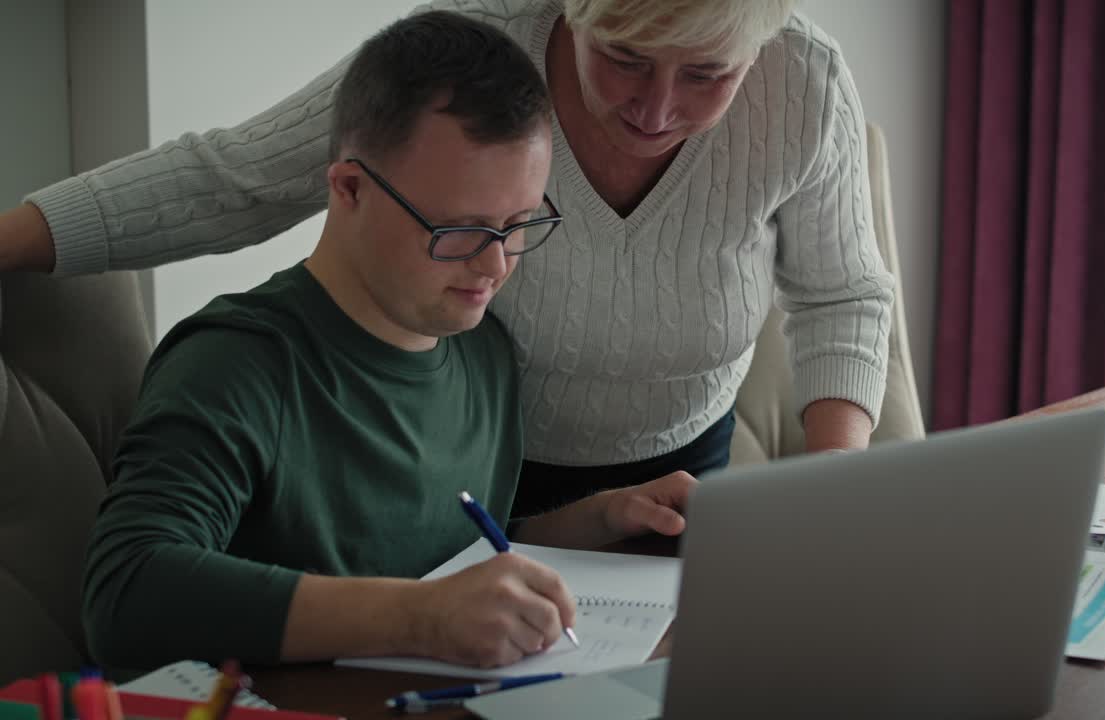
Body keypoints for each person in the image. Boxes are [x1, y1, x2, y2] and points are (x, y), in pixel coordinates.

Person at [0, 0, 895, 517]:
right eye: (624, 59)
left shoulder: (802, 84)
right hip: (458, 479)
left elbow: (844, 293)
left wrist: (828, 493)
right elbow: (233, 179)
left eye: (706, 74)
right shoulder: (480, 49)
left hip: (681, 487)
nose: (657, 109)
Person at [81, 11, 694, 671]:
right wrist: (419, 619)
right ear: (349, 188)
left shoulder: (481, 350)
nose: (494, 266)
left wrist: (600, 520)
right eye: (460, 228)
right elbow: (126, 595)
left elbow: (444, 553)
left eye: (518, 224)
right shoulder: (233, 363)